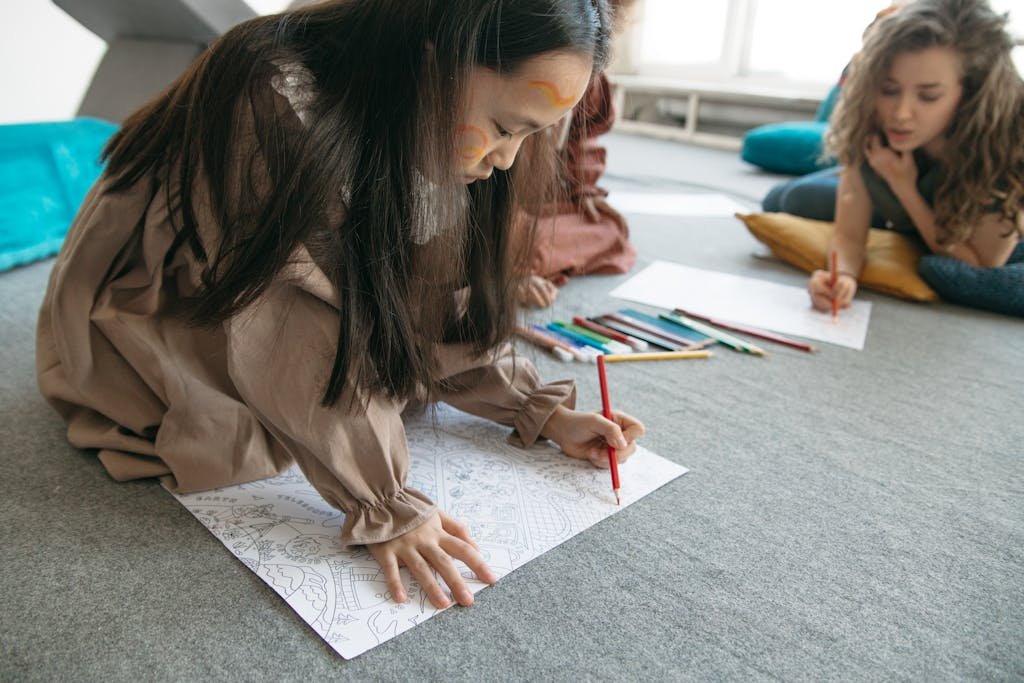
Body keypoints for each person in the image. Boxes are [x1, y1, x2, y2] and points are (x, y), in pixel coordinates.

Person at [36, 0, 645, 611]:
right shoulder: (272, 93)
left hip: (285, 278)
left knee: (380, 373)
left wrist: (530, 406)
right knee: (235, 440)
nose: (509, 158)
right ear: (435, 59)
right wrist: (382, 500)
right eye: (508, 127)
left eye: (531, 135)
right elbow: (284, 320)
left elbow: (432, 292)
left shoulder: (438, 122)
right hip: (176, 291)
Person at [764, 0, 1024, 317]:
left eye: (928, 96)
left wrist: (904, 187)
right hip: (901, 211)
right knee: (784, 199)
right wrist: (843, 275)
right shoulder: (871, 117)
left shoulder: (1009, 144)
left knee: (949, 272)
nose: (900, 115)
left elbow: (981, 263)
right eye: (889, 90)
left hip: (961, 227)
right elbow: (848, 235)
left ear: (971, 91)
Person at [516, 0, 638, 308]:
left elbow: (585, 139)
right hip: (493, 205)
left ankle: (521, 256)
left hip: (546, 202)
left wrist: (585, 188)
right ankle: (503, 262)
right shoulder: (520, 50)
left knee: (611, 228)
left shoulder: (588, 73)